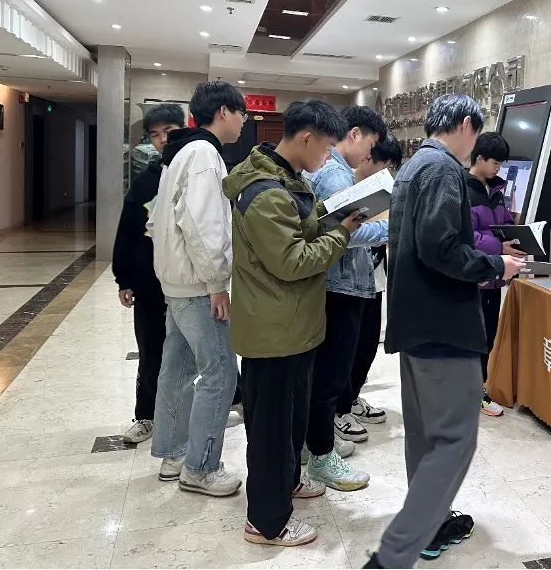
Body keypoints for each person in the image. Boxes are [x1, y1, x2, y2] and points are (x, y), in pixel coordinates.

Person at [364, 94, 525, 569]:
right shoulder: (442, 169)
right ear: (464, 123)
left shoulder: (415, 166)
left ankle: (431, 523)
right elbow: (440, 247)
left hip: (417, 321)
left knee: (425, 434)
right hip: (442, 325)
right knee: (453, 438)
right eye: (477, 132)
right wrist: (496, 265)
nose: (476, 143)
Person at [222, 99, 365, 548]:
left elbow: (301, 232)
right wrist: (342, 233)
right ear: (306, 138)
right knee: (270, 430)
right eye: (326, 147)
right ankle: (266, 523)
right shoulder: (265, 192)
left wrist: (334, 218)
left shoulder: (290, 180)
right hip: (273, 332)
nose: (328, 156)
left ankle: (288, 483)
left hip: (294, 326)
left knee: (291, 421)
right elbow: (291, 261)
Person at [147, 81, 247, 497]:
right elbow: (204, 226)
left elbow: (157, 218)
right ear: (224, 111)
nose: (243, 122)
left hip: (176, 279)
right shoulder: (204, 153)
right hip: (196, 283)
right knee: (219, 373)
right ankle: (200, 468)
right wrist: (217, 283)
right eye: (241, 113)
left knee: (179, 367)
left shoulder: (181, 151)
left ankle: (174, 453)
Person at [305, 105, 388, 492]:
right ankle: (322, 456)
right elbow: (346, 233)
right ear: (354, 134)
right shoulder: (336, 173)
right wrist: (388, 228)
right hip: (341, 285)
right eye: (370, 144)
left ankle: (315, 444)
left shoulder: (326, 169)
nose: (369, 153)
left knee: (322, 374)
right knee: (331, 375)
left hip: (331, 283)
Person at [112, 103, 185, 444]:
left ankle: (231, 399)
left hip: (188, 280)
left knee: (202, 348)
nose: (161, 140)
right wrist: (124, 278)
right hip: (150, 283)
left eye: (168, 132)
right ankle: (146, 416)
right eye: (155, 135)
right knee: (151, 348)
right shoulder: (146, 181)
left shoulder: (194, 173)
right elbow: (127, 230)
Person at [335, 134, 403, 428]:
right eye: (384, 166)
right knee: (343, 351)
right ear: (368, 158)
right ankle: (338, 411)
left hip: (373, 279)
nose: (386, 174)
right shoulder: (342, 185)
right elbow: (347, 235)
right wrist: (389, 229)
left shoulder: (381, 191)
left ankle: (351, 399)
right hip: (346, 281)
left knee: (366, 345)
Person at [466, 131, 526, 417]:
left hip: (494, 276)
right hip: (472, 277)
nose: (498, 169)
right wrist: (498, 246)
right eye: (495, 163)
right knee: (471, 337)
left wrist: (518, 237)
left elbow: (503, 225)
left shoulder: (497, 191)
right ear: (479, 158)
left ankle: (478, 389)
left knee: (488, 335)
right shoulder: (463, 190)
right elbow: (465, 236)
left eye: (501, 164)